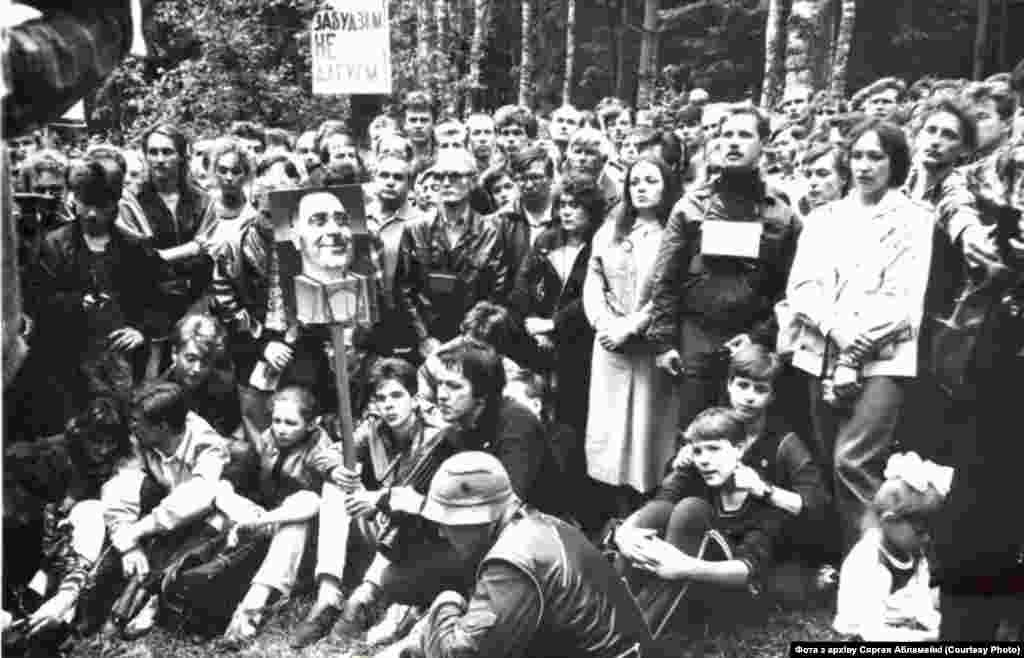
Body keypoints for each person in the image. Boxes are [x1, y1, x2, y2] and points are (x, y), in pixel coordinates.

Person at [779, 119, 933, 550]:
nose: (864, 165)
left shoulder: (914, 219)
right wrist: (835, 331)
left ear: (895, 162)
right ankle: (849, 558)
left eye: (876, 156)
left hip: (885, 357)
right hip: (821, 351)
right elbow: (802, 288)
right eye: (858, 155)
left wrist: (854, 352)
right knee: (830, 459)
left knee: (855, 459)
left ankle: (876, 565)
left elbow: (903, 300)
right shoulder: (824, 217)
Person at [333, 339, 554, 639]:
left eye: (454, 387)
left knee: (413, 567)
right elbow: (412, 489)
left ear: (482, 394)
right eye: (440, 385)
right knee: (396, 578)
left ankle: (430, 621)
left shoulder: (517, 424)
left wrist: (419, 506)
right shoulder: (456, 431)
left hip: (533, 541)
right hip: (477, 537)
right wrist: (383, 501)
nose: (442, 395)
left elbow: (509, 509)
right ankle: (378, 601)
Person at [411, 451, 655, 658]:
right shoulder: (542, 525)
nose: (442, 532)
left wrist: (445, 603)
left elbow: (462, 655)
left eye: (447, 520)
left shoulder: (512, 560)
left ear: (479, 517)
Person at [648, 106, 801, 434]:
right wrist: (663, 342)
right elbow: (665, 278)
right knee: (694, 433)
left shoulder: (782, 213)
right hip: (697, 337)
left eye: (745, 135)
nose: (733, 143)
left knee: (746, 437)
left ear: (764, 143)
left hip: (753, 341)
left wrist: (760, 336)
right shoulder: (691, 206)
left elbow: (791, 288)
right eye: (726, 135)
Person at [292, 358, 444, 649]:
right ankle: (328, 593)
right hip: (378, 523)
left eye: (397, 396)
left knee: (405, 513)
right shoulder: (375, 428)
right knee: (334, 486)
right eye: (381, 398)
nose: (389, 405)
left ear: (415, 398)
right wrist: (336, 468)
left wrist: (379, 501)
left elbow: (421, 500)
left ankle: (362, 600)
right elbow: (325, 454)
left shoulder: (436, 433)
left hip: (418, 534)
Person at [613, 408, 788, 636]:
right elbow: (654, 510)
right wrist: (623, 535)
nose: (704, 460)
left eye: (714, 449)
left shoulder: (760, 494)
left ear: (739, 449)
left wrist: (684, 567)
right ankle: (609, 613)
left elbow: (749, 569)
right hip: (681, 584)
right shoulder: (694, 474)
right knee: (659, 512)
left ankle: (632, 638)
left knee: (691, 509)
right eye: (697, 451)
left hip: (733, 597)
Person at [25, 156, 170, 423]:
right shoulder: (54, 246)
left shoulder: (135, 248)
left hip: (122, 363)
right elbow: (36, 300)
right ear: (75, 202)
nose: (92, 214)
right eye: (86, 204)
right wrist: (76, 304)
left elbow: (162, 299)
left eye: (101, 206)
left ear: (115, 204)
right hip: (67, 362)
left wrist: (142, 330)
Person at [584, 156, 682, 519]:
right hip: (610, 344)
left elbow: (670, 289)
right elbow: (593, 279)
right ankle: (613, 509)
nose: (641, 188)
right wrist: (604, 323)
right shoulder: (611, 229)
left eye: (651, 181)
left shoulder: (675, 230)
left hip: (648, 344)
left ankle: (646, 510)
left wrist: (633, 325)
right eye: (635, 181)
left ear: (667, 186)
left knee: (646, 428)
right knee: (611, 431)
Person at [215, 386, 345, 647]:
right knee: (220, 493)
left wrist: (263, 520)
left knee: (300, 511)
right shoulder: (271, 438)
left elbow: (313, 501)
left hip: (304, 541)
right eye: (277, 421)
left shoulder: (320, 449)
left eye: (290, 423)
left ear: (311, 424)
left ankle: (250, 610)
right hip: (268, 518)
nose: (281, 429)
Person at [3, 398, 133, 653]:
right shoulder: (53, 453)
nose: (104, 449)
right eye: (96, 441)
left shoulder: (118, 461)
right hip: (34, 530)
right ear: (82, 433)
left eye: (110, 442)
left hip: (82, 536)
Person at [101, 381, 229, 637]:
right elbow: (119, 488)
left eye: (138, 422)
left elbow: (197, 497)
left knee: (217, 507)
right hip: (158, 515)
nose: (132, 426)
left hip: (203, 519)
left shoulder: (208, 445)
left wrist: (138, 530)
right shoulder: (140, 438)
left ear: (162, 427)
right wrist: (128, 544)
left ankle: (154, 599)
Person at [510, 173, 602, 434]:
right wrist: (530, 323)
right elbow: (523, 284)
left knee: (574, 412)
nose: (567, 212)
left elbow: (593, 295)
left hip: (580, 342)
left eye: (575, 206)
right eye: (563, 205)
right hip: (538, 339)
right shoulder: (546, 240)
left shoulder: (600, 243)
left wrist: (554, 325)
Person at [394, 149, 508, 356]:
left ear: (473, 181)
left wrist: (471, 336)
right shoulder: (415, 229)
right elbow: (403, 289)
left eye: (455, 176)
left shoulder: (493, 231)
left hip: (475, 342)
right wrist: (423, 337)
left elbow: (497, 291)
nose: (446, 182)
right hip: (427, 344)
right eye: (440, 176)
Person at [833, 470, 945, 641]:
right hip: (863, 629)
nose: (927, 538)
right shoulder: (869, 558)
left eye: (931, 532)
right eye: (920, 532)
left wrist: (937, 627)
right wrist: (923, 638)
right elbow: (869, 630)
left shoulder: (914, 553)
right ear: (889, 521)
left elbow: (922, 605)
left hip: (898, 622)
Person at [134, 123, 214, 328]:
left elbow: (209, 250)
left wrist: (158, 256)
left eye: (167, 152)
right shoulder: (133, 200)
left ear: (180, 156)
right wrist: (191, 248)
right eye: (153, 152)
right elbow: (137, 260)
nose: (160, 159)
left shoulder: (201, 199)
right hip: (150, 305)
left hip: (198, 303)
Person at [154, 313, 240, 440]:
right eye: (190, 359)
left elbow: (227, 429)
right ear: (174, 353)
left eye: (205, 362)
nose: (197, 369)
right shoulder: (157, 391)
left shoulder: (225, 385)